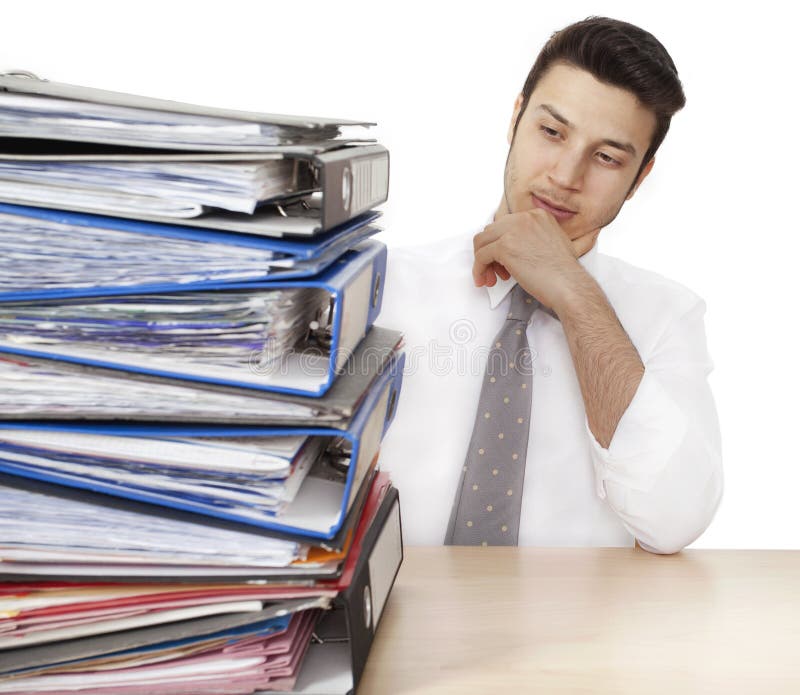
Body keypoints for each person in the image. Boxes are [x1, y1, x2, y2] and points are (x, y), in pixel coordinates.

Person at [377, 16, 723, 554]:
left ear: (640, 178)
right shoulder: (381, 287)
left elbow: (672, 521)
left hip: (572, 612)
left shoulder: (667, 316)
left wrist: (574, 292)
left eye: (606, 157)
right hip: (392, 604)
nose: (565, 176)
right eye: (552, 132)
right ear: (516, 117)